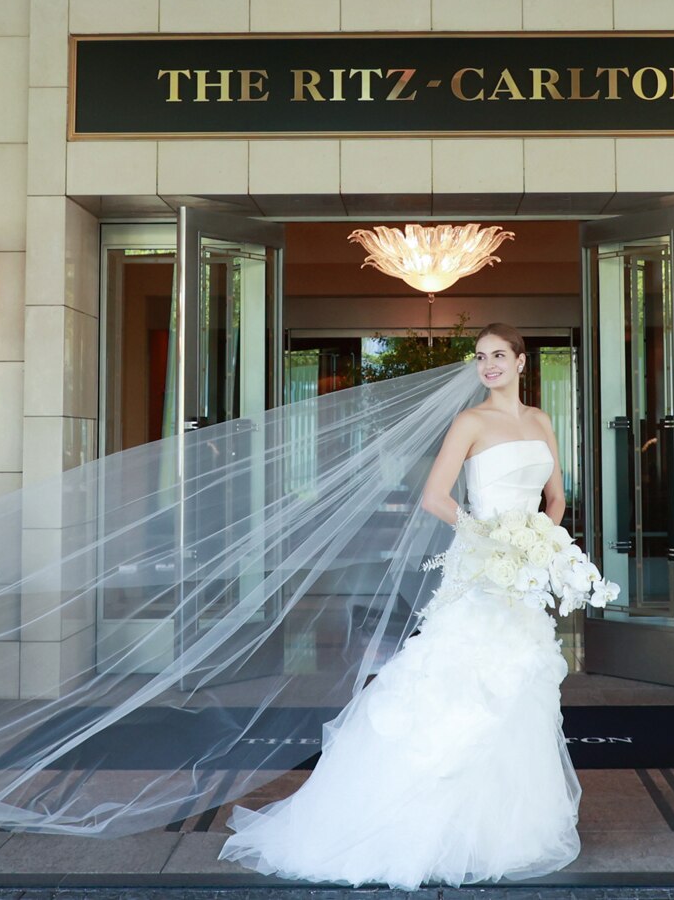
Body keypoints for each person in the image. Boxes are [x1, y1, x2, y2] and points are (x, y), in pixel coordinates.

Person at [218, 323, 582, 889]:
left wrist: (542, 542)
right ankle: (410, 820)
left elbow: (555, 497)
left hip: (523, 581)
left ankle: (500, 829)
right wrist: (491, 540)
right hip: (481, 572)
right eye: (481, 357)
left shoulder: (540, 421)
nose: (488, 366)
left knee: (518, 688)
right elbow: (435, 498)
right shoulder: (470, 422)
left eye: (498, 356)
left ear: (521, 361)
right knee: (460, 687)